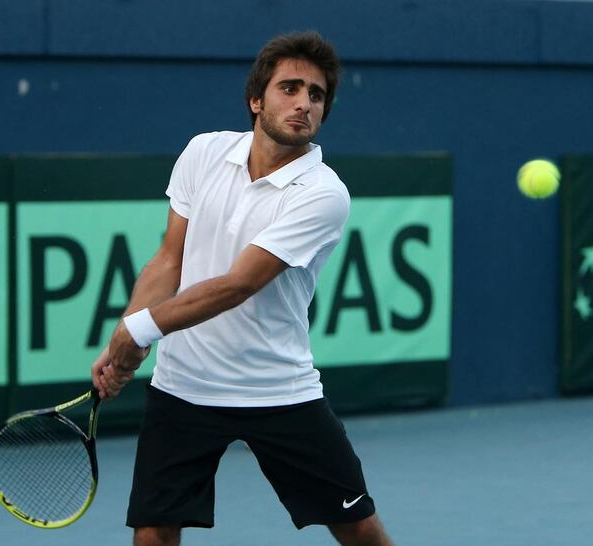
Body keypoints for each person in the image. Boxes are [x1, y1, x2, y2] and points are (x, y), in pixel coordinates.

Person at [91, 31, 394, 546]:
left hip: (277, 389)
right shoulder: (202, 152)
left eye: (316, 95)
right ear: (257, 100)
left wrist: (139, 330)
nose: (303, 104)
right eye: (289, 88)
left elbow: (238, 284)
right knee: (153, 533)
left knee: (357, 527)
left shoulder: (324, 194)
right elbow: (170, 259)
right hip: (184, 386)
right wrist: (126, 334)